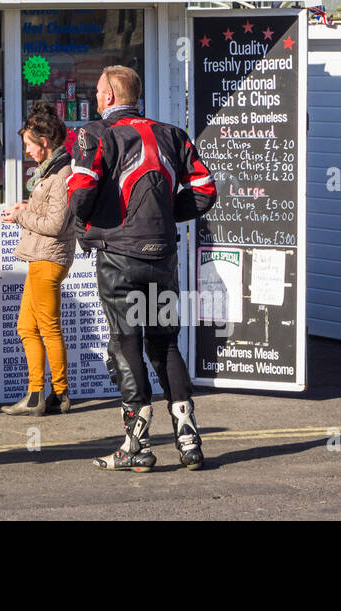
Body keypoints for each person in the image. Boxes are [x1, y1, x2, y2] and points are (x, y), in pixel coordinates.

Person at [66, 65, 218, 471]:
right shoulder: (173, 134)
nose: (96, 98)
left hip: (119, 258)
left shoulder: (95, 133)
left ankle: (136, 444)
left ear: (110, 97)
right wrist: (168, 213)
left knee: (126, 342)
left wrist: (87, 226)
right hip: (162, 259)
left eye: (99, 92)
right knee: (165, 343)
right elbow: (205, 191)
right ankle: (188, 437)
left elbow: (79, 193)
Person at [0, 102, 75, 416]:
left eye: (29, 145)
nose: (27, 151)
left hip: (49, 257)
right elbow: (48, 213)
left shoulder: (61, 174)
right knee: (27, 327)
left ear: (44, 143)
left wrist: (21, 217)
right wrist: (25, 208)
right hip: (41, 256)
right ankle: (41, 393)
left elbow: (56, 225)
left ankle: (55, 394)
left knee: (47, 328)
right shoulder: (53, 169)